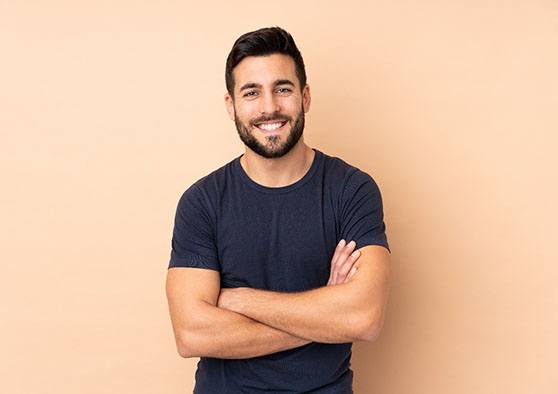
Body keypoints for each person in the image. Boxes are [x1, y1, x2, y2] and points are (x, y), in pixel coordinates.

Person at [166, 26, 391, 393]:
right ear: (231, 105)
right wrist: (323, 316)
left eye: (282, 89)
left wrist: (237, 300)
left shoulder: (352, 190)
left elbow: (362, 317)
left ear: (305, 97)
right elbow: (192, 334)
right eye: (251, 92)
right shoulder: (202, 201)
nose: (269, 107)